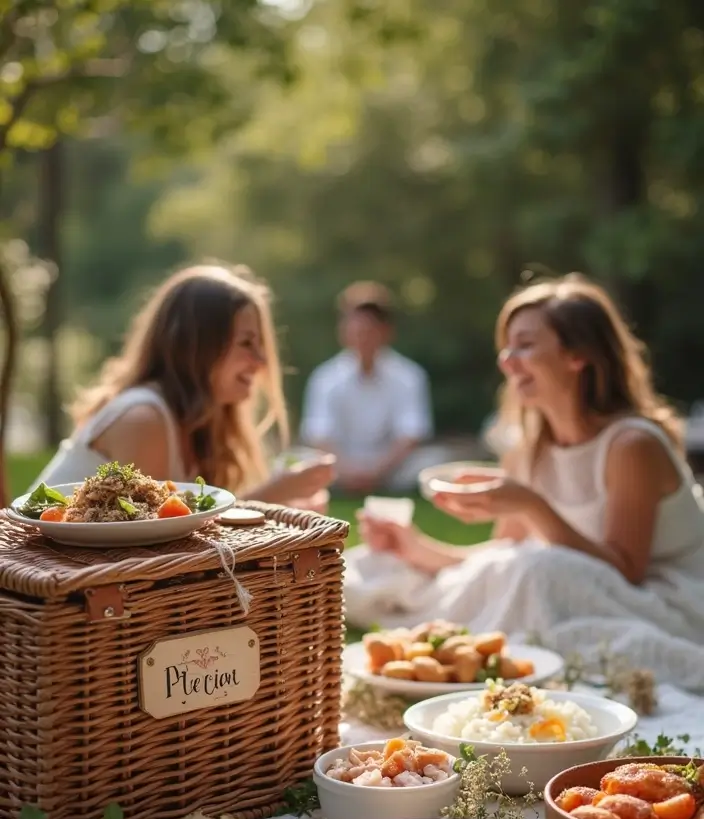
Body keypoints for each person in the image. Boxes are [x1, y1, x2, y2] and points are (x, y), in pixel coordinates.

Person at [345, 274, 704, 692]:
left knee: (535, 569)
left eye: (526, 345)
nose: (507, 361)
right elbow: (501, 556)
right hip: (560, 582)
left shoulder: (631, 444)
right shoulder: (528, 447)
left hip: (665, 601)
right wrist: (414, 546)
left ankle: (465, 651)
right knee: (373, 563)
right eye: (507, 347)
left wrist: (532, 506)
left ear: (579, 356)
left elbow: (627, 570)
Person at [36, 264, 335, 507]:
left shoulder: (202, 424)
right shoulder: (143, 418)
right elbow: (163, 539)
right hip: (41, 578)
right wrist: (273, 495)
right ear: (196, 349)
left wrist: (286, 502)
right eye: (247, 343)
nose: (261, 362)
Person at [299, 281, 445, 493]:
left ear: (386, 331)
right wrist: (348, 470)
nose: (362, 336)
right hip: (338, 466)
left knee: (434, 462)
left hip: (392, 467)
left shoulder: (409, 375)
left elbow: (411, 434)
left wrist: (377, 471)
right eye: (355, 328)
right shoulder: (325, 377)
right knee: (294, 461)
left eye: (368, 329)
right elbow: (319, 435)